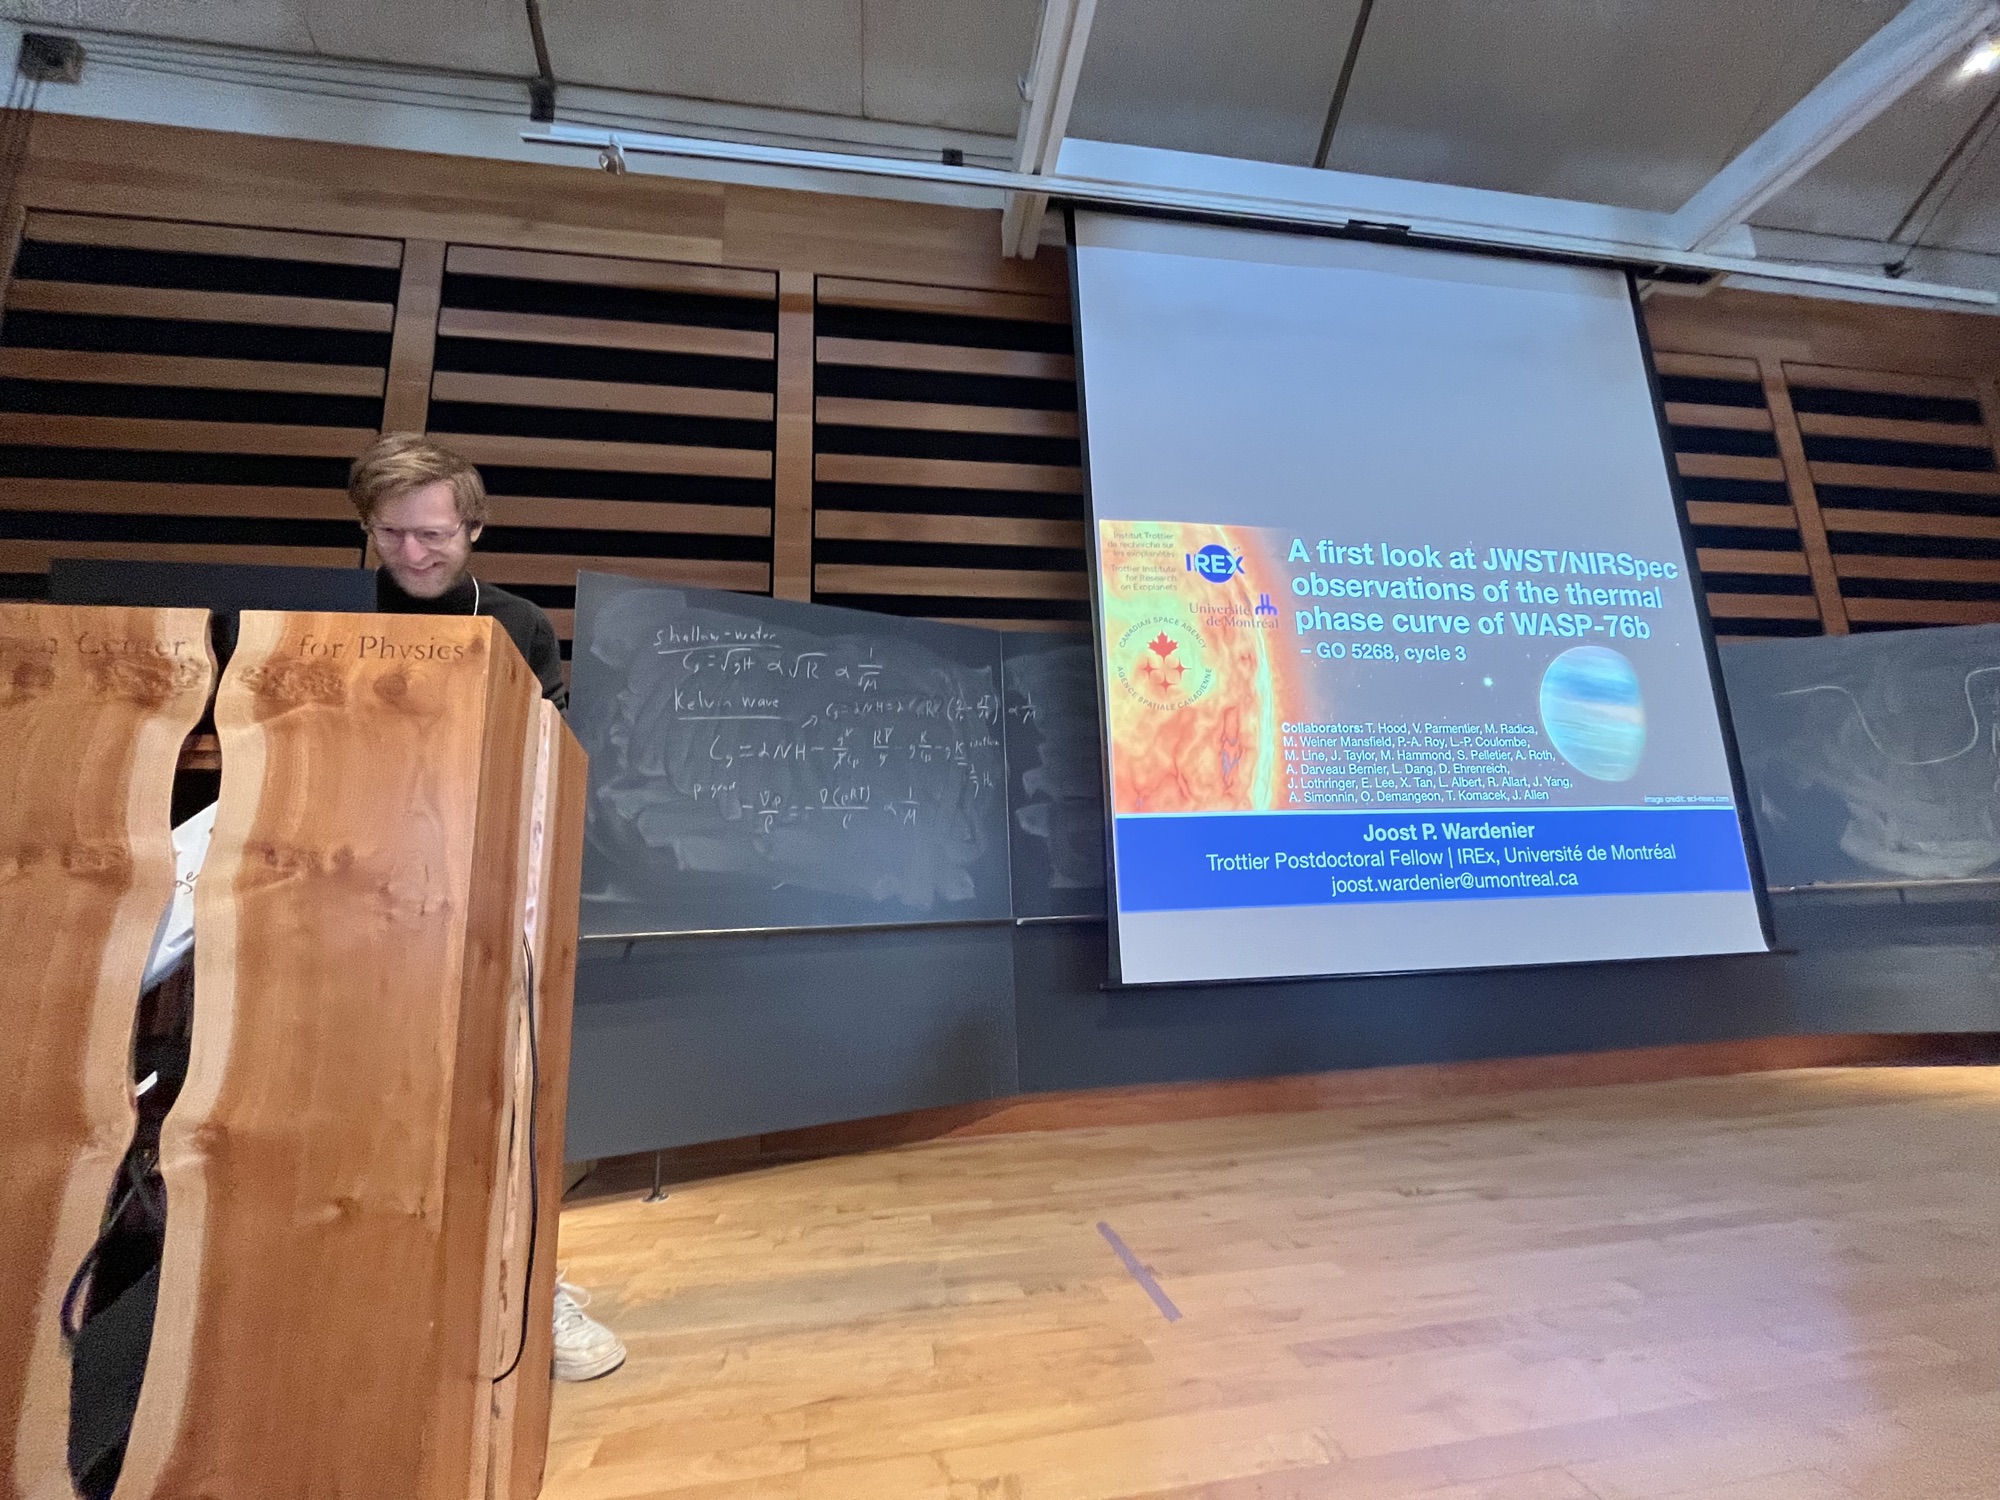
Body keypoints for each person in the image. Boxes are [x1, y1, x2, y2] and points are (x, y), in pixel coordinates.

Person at [348, 433, 624, 1381]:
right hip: (344, 900)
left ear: (472, 529)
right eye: (392, 534)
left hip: (479, 896)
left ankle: (525, 1294)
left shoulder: (516, 625)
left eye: (433, 535)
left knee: (497, 1103)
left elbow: (547, 756)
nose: (413, 553)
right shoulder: (323, 614)